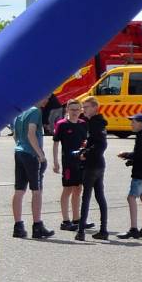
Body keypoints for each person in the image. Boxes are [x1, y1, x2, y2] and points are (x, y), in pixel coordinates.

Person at [9, 101, 52, 240]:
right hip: (31, 154)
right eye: (46, 96)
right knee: (36, 190)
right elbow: (31, 133)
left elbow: (15, 134)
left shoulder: (21, 111)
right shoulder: (35, 112)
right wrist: (40, 154)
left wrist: (21, 146)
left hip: (19, 151)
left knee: (19, 190)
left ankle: (18, 226)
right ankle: (37, 225)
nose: (47, 99)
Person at [75, 96, 111, 241]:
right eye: (83, 107)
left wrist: (86, 153)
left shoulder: (97, 124)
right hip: (96, 163)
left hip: (94, 164)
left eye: (87, 107)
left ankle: (81, 231)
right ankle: (103, 230)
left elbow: (101, 145)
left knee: (88, 197)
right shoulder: (90, 122)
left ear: (95, 108)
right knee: (98, 196)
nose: (84, 110)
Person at [52, 99, 87, 231]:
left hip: (81, 161)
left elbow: (85, 141)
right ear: (67, 110)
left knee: (78, 189)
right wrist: (55, 162)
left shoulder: (83, 124)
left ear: (81, 110)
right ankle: (65, 220)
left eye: (77, 109)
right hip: (68, 162)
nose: (75, 112)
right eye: (72, 109)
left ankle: (76, 219)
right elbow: (55, 144)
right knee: (68, 189)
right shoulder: (61, 124)